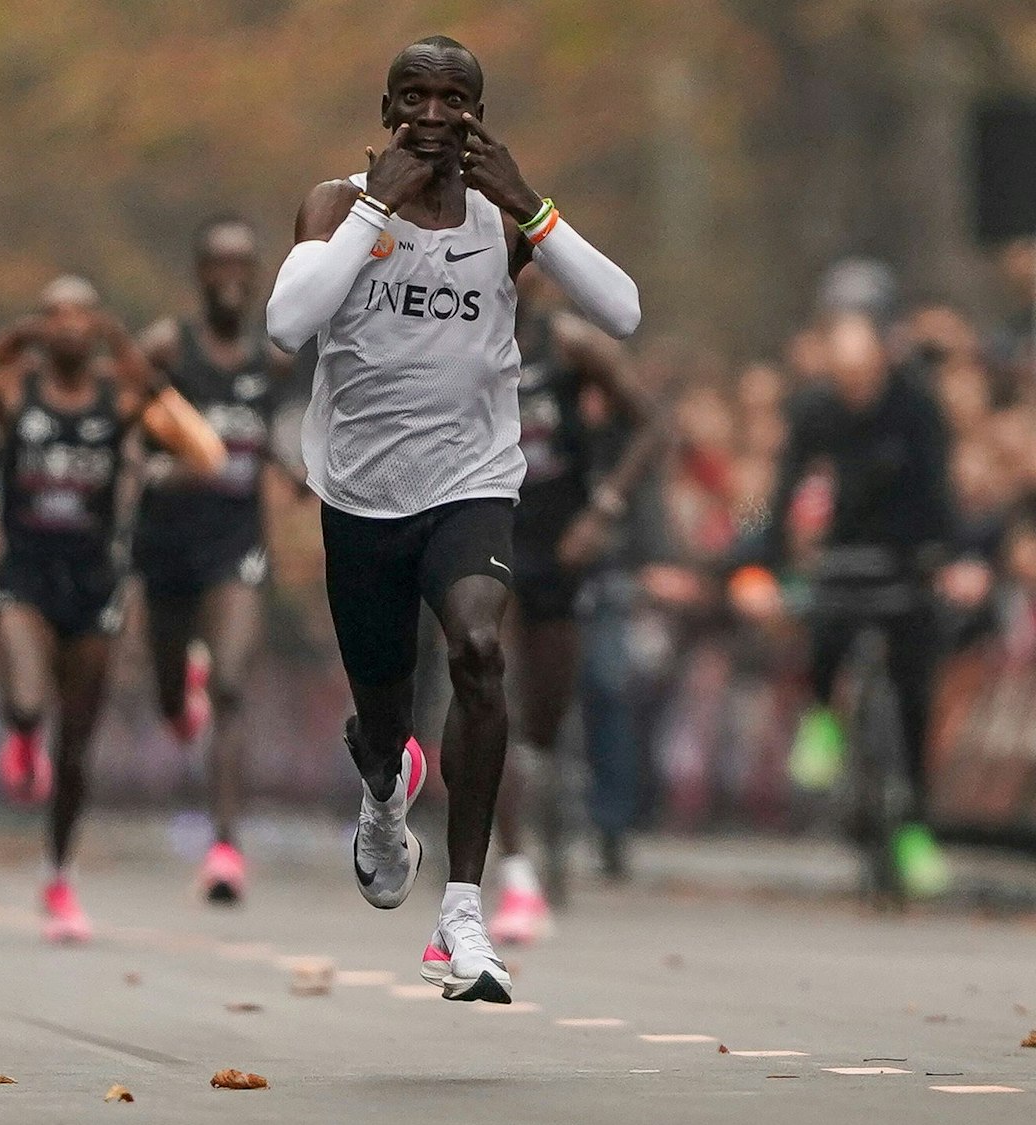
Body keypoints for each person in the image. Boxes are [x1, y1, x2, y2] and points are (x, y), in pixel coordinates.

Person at [265, 35, 639, 1003]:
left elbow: (623, 312)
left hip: (471, 481)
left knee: (478, 652)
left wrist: (532, 208)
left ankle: (461, 914)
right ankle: (384, 794)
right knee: (384, 720)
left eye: (453, 99)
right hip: (358, 495)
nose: (433, 116)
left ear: (477, 111)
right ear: (384, 109)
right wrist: (375, 206)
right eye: (414, 98)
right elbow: (285, 322)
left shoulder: (501, 216)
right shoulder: (336, 204)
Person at [0, 276, 224, 942]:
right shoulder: (13, 388)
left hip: (96, 586)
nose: (67, 323)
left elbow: (206, 452)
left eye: (81, 314)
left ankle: (58, 875)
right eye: (53, 314)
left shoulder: (123, 393)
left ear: (97, 325)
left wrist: (138, 364)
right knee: (27, 701)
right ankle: (19, 732)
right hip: (24, 580)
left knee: (75, 753)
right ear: (38, 326)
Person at [731, 311, 978, 900]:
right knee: (827, 634)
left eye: (860, 372)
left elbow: (942, 486)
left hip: (910, 554)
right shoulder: (814, 411)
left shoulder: (916, 407)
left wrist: (960, 558)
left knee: (915, 689)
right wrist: (763, 565)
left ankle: (914, 828)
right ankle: (822, 718)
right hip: (843, 554)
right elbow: (786, 487)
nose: (853, 385)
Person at [488, 276, 662, 944]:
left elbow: (652, 425)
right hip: (485, 536)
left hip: (560, 545)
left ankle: (543, 790)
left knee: (546, 712)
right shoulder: (450, 342)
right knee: (487, 684)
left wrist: (604, 510)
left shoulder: (571, 345)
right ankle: (516, 870)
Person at [133, 216, 297, 904]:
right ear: (200, 275)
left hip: (236, 543)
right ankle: (180, 695)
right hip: (167, 543)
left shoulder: (273, 360)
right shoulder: (169, 346)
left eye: (243, 266)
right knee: (174, 693)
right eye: (219, 266)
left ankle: (225, 846)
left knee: (231, 684)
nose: (232, 279)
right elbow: (117, 422)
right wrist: (158, 471)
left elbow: (263, 437)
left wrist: (301, 470)